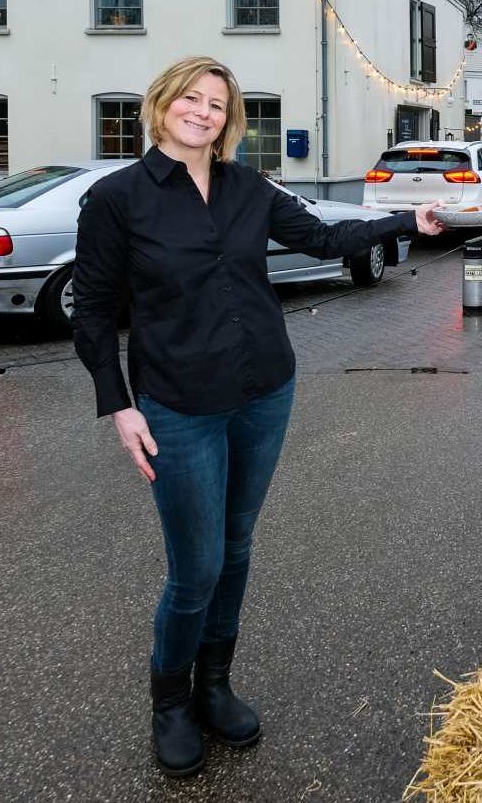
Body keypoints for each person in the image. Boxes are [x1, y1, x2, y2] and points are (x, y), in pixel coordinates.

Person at [71, 55, 443, 778]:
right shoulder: (117, 198)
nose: (202, 111)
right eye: (190, 98)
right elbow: (91, 313)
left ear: (229, 120)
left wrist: (407, 220)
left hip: (264, 391)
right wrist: (119, 404)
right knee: (196, 566)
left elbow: (323, 237)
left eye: (216, 104)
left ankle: (215, 684)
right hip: (178, 405)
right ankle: (170, 703)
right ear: (161, 104)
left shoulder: (248, 187)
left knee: (237, 545)